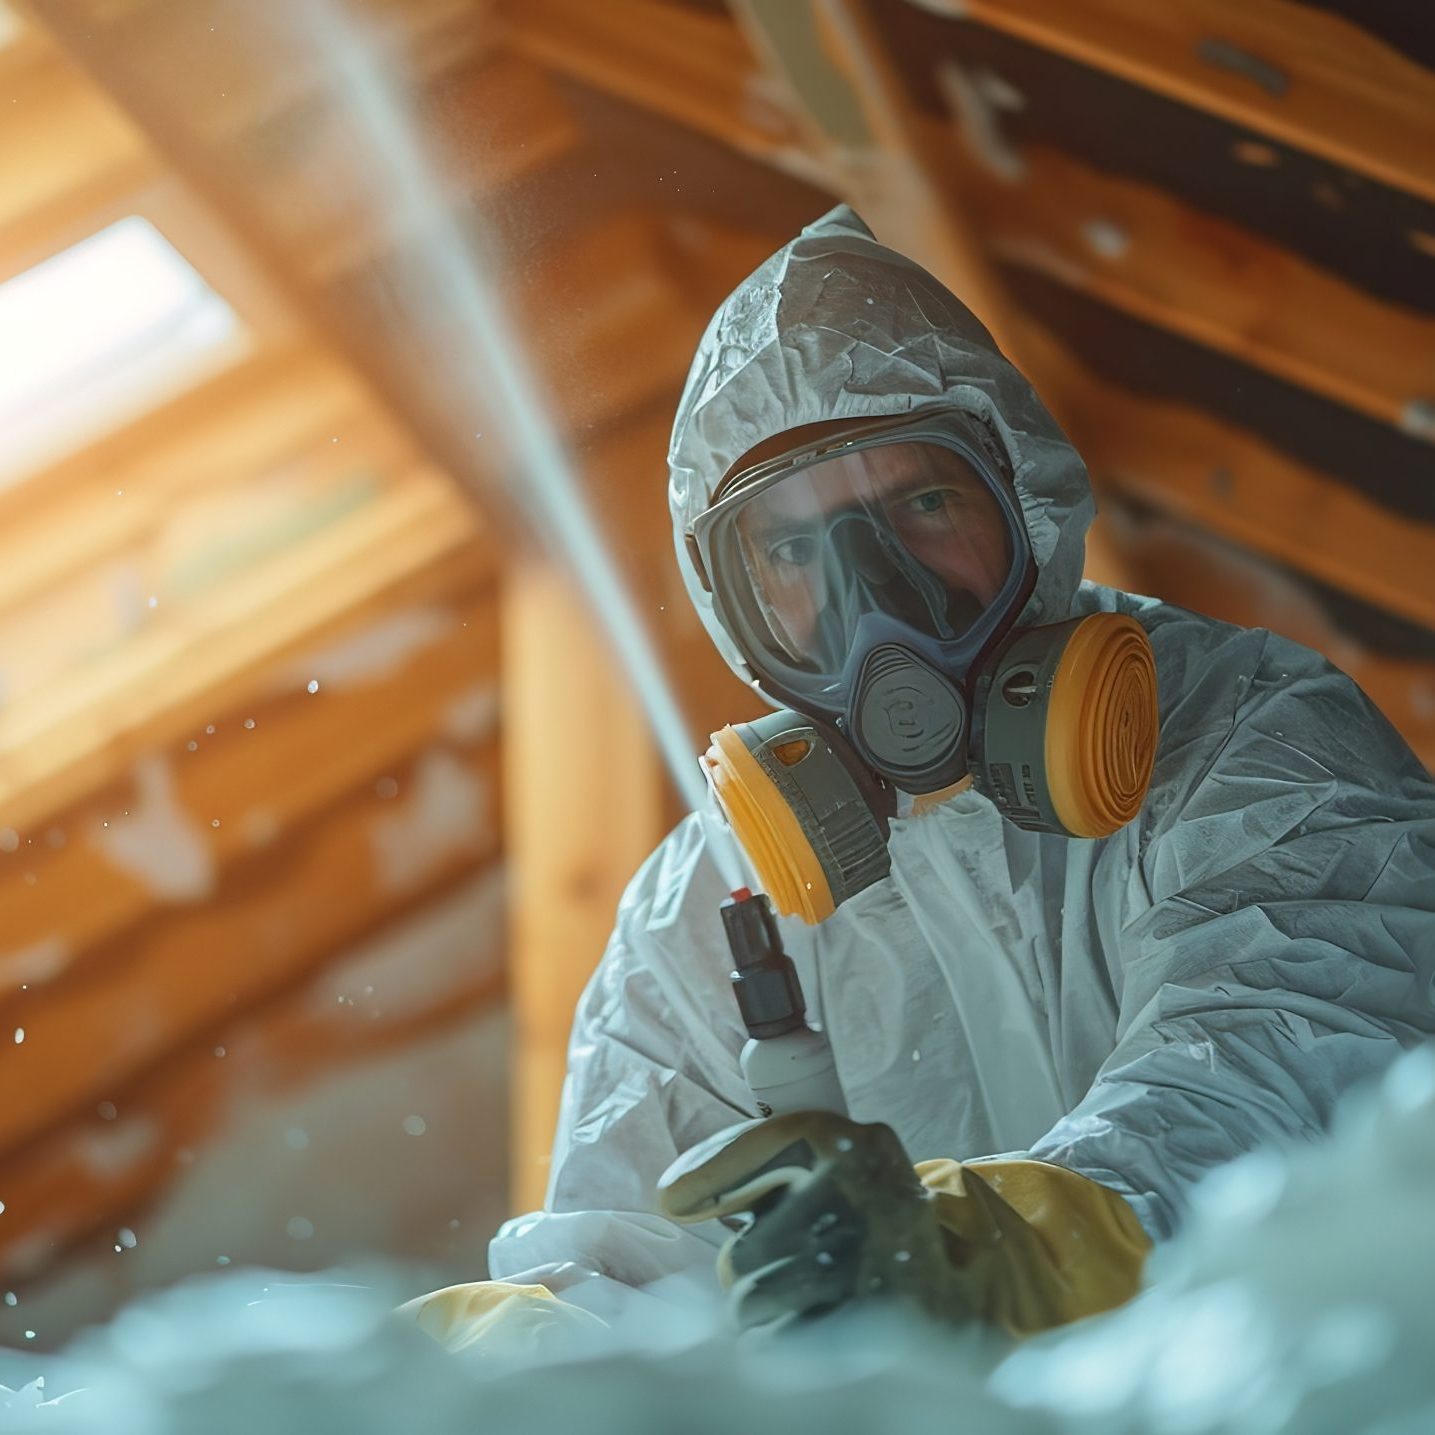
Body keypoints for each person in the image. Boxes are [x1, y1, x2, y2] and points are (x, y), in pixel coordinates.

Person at [404, 206, 1435, 1348]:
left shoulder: (1249, 738)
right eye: (796, 550)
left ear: (1023, 501)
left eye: (921, 505)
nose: (874, 600)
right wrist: (469, 1367)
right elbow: (623, 1267)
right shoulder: (704, 905)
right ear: (736, 611)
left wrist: (983, 1252)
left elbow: (1287, 1077)